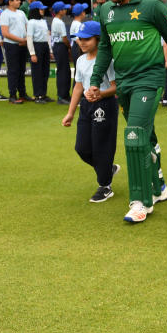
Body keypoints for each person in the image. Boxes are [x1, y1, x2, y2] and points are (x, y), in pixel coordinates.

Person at [89, 0, 167, 223]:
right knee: (146, 135)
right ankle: (159, 187)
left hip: (149, 79)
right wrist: (95, 79)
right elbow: (105, 49)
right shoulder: (106, 11)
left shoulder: (152, 6)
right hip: (123, 83)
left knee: (134, 135)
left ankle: (141, 202)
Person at [61, 20, 120, 203]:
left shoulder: (107, 59)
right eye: (80, 39)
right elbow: (78, 86)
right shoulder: (79, 60)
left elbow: (116, 87)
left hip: (105, 105)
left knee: (102, 147)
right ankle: (107, 169)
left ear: (98, 39)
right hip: (86, 106)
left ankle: (105, 186)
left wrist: (100, 94)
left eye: (87, 39)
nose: (82, 42)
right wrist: (71, 112)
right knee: (82, 148)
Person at [0, 0, 30, 104]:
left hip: (22, 44)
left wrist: (26, 39)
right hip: (11, 45)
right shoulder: (5, 14)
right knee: (13, 70)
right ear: (10, 2)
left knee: (22, 70)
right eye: (16, 0)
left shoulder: (21, 13)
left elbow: (27, 27)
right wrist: (22, 40)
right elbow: (5, 33)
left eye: (19, 0)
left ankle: (23, 93)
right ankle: (12, 95)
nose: (19, 2)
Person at [26, 1, 52, 103]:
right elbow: (29, 38)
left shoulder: (43, 21)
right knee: (37, 72)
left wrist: (50, 49)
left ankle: (43, 94)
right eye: (40, 9)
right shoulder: (31, 22)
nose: (43, 10)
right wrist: (32, 53)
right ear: (35, 10)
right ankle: (37, 95)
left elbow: (47, 36)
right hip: (37, 46)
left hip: (44, 45)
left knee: (45, 71)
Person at [50, 1, 72, 105]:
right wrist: (69, 47)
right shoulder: (59, 22)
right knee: (63, 71)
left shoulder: (56, 20)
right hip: (61, 46)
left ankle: (64, 95)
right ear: (60, 11)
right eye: (64, 9)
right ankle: (62, 96)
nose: (66, 10)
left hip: (57, 46)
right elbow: (64, 38)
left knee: (64, 71)